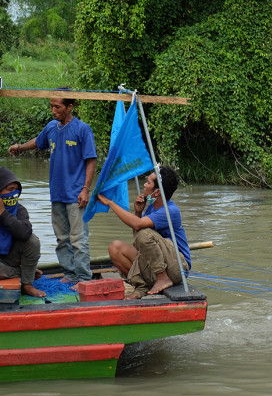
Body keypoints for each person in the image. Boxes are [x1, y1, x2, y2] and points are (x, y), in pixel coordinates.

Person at [8, 93, 97, 284]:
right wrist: (20, 148)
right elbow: (38, 142)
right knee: (62, 238)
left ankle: (83, 278)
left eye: (57, 107)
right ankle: (70, 274)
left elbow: (91, 160)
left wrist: (86, 189)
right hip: (57, 193)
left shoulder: (82, 129)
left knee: (78, 239)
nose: (53, 111)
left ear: (70, 107)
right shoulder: (51, 127)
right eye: (51, 106)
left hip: (76, 194)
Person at [97, 166, 191, 299]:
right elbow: (138, 237)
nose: (144, 185)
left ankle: (162, 278)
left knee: (143, 233)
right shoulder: (152, 207)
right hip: (157, 261)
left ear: (157, 192)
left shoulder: (171, 211)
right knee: (115, 248)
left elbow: (139, 228)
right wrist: (138, 212)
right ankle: (142, 287)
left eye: (148, 183)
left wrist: (110, 203)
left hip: (178, 266)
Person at [0, 167, 45, 298]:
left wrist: (3, 214)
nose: (13, 194)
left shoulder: (20, 210)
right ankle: (23, 272)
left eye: (16, 190)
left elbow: (25, 234)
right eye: (9, 190)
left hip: (9, 259)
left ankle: (27, 284)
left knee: (33, 240)